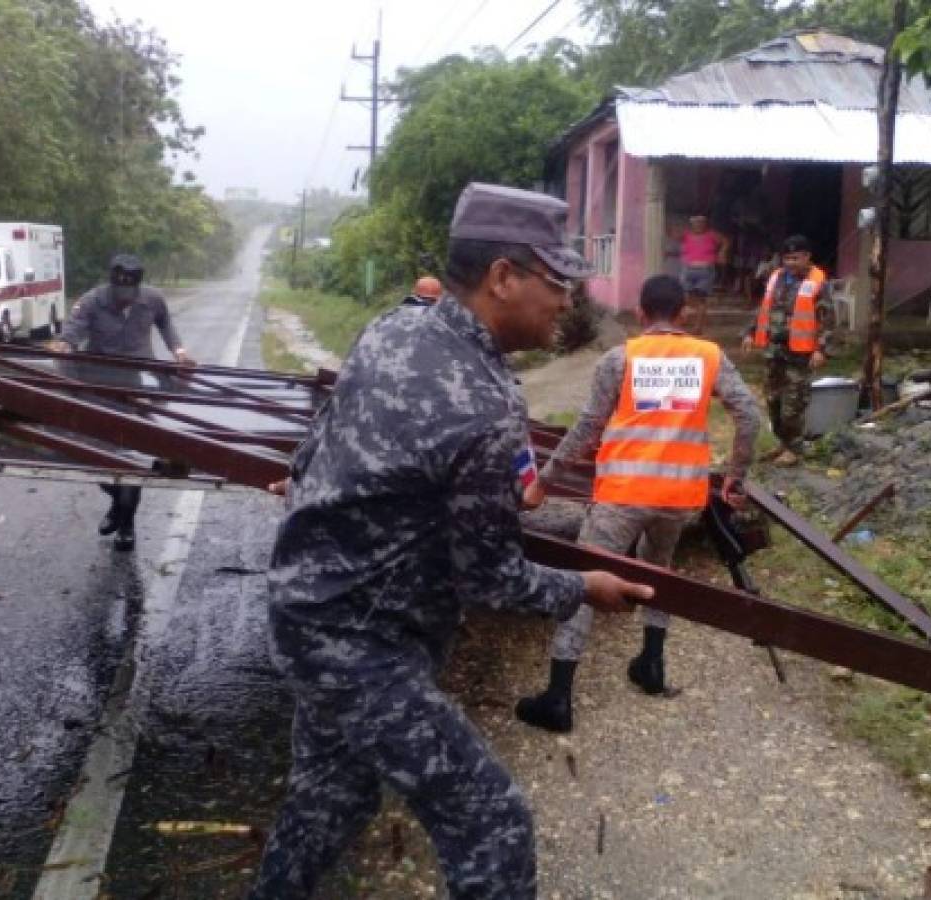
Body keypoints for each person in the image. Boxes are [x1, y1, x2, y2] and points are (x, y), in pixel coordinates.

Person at [249, 182, 655, 900]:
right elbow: (492, 578)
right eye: (556, 280)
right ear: (503, 277)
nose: (566, 299)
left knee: (329, 803)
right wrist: (582, 590)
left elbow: (321, 441)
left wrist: (309, 488)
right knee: (491, 821)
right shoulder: (484, 406)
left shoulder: (394, 328)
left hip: (307, 612)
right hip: (361, 647)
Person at [515, 274, 762, 734]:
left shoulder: (621, 358)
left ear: (642, 313)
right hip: (678, 496)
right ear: (683, 312)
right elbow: (748, 415)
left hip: (623, 494)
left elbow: (588, 426)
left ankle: (558, 697)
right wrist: (735, 479)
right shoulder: (709, 356)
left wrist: (545, 482)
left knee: (584, 583)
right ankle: (651, 665)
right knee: (658, 573)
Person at [52, 253, 194, 550]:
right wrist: (65, 345)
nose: (125, 300)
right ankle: (119, 502)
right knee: (95, 454)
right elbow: (74, 329)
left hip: (138, 383)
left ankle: (127, 525)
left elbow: (166, 323)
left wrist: (178, 350)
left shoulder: (152, 299)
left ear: (138, 288)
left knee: (135, 454)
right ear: (112, 283)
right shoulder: (92, 300)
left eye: (130, 294)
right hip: (98, 384)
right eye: (120, 293)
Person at [742, 234, 835, 467]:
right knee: (773, 399)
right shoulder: (777, 278)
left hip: (800, 353)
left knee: (794, 401)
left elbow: (828, 320)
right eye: (787, 259)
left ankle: (794, 447)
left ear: (807, 257)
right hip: (775, 350)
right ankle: (782, 443)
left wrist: (821, 349)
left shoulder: (817, 282)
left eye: (795, 258)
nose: (790, 263)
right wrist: (749, 332)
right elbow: (763, 308)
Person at [678, 214, 729, 335]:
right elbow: (671, 233)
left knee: (701, 299)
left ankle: (698, 327)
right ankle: (684, 321)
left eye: (701, 222)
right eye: (695, 222)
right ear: (691, 224)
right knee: (685, 298)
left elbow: (726, 241)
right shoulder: (686, 234)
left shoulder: (712, 235)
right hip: (688, 268)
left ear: (705, 224)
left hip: (705, 270)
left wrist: (722, 252)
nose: (698, 225)